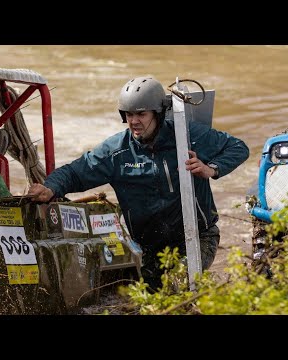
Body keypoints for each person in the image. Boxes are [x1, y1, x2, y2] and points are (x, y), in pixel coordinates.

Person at [27, 76, 250, 290]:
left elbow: (238, 147)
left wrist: (211, 169)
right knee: (147, 301)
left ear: (158, 112)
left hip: (198, 237)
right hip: (150, 249)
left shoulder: (187, 135)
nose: (134, 121)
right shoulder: (116, 151)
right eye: (129, 114)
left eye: (141, 114)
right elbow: (75, 172)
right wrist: (51, 187)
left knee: (177, 286)